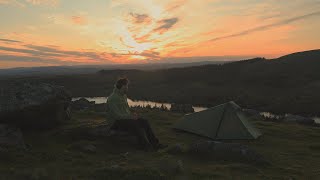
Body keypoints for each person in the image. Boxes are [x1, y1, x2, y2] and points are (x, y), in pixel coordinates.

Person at [106, 77, 167, 151]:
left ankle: (155, 144)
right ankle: (146, 146)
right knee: (135, 124)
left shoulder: (123, 96)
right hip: (115, 123)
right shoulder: (112, 98)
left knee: (144, 121)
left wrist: (133, 113)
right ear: (122, 86)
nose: (127, 88)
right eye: (126, 86)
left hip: (125, 119)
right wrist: (130, 117)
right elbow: (117, 116)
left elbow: (127, 109)